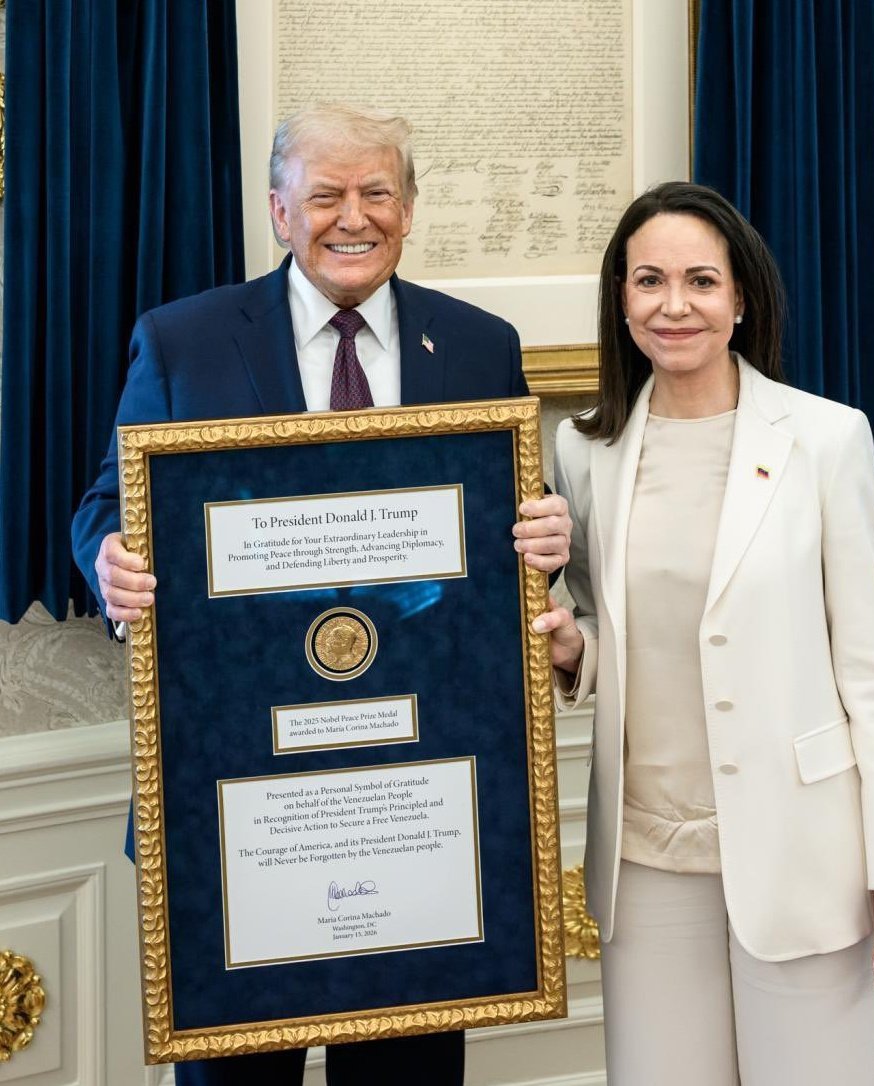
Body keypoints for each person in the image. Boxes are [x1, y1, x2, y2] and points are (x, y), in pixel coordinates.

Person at [72, 103, 571, 1086]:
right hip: (236, 785)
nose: (355, 217)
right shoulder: (184, 341)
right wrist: (110, 560)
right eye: (327, 194)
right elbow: (106, 507)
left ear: (409, 208)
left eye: (378, 193)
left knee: (407, 1070)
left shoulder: (477, 345)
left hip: (417, 782)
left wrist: (546, 543)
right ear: (278, 210)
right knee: (235, 1073)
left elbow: (498, 540)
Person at [533, 182, 874, 1085]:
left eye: (700, 282)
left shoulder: (825, 440)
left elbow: (868, 671)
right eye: (648, 282)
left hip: (803, 851)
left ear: (740, 298)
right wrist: (570, 650)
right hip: (645, 856)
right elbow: (601, 621)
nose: (674, 306)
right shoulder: (585, 452)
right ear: (620, 300)